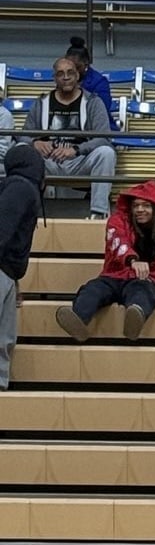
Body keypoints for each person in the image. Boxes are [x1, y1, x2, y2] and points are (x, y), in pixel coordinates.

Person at [55, 180, 155, 343]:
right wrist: (133, 260)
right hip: (111, 277)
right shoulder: (117, 221)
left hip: (142, 282)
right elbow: (117, 241)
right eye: (136, 205)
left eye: (146, 205)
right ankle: (78, 319)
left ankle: (135, 319)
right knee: (92, 290)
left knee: (143, 293)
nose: (140, 209)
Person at [23, 56, 117, 219]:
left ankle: (98, 213)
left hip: (79, 161)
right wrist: (35, 142)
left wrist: (76, 149)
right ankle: (25, 213)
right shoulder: (41, 103)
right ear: (54, 78)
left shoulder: (93, 102)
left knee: (106, 153)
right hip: (48, 161)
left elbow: (104, 138)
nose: (66, 77)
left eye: (70, 73)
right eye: (60, 74)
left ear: (77, 75)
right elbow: (23, 135)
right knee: (20, 151)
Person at [0, 144, 44, 391]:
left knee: (5, 337)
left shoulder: (18, 186)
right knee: (3, 336)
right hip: (2, 269)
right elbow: (3, 229)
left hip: (6, 271)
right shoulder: (20, 187)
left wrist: (14, 279)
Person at [65, 36, 117, 131]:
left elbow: (102, 110)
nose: (73, 71)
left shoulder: (100, 82)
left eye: (77, 67)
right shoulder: (64, 80)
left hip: (97, 128)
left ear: (86, 64)